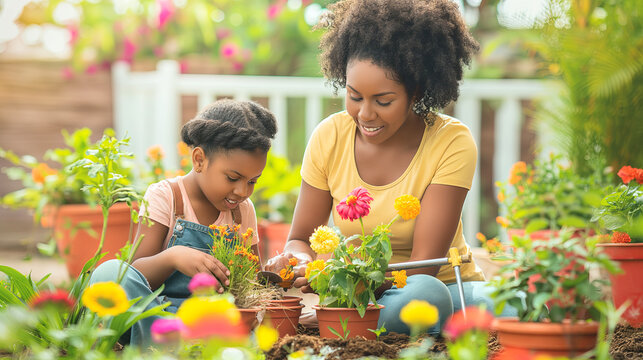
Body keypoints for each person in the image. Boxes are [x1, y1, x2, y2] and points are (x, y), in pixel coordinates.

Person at [265, 0, 514, 335]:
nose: (366, 114)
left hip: (441, 286)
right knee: (429, 304)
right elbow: (299, 238)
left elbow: (424, 268)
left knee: (503, 303)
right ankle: (375, 320)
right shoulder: (330, 136)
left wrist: (345, 280)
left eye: (383, 101)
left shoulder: (451, 142)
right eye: (354, 96)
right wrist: (303, 262)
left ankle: (344, 320)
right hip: (362, 293)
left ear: (417, 92)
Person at [90, 99, 277, 346]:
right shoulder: (165, 196)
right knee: (109, 273)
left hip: (214, 321)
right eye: (233, 178)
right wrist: (173, 257)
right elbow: (136, 274)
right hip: (158, 317)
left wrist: (274, 277)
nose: (243, 191)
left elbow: (251, 284)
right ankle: (163, 347)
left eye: (252, 181)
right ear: (199, 159)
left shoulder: (243, 212)